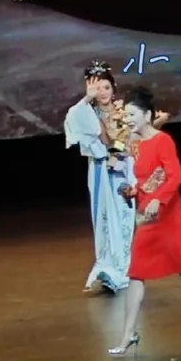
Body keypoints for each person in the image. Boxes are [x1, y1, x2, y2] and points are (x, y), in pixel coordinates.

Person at [109, 87, 181, 355]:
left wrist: (159, 199)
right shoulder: (134, 143)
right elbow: (144, 178)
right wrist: (134, 192)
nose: (128, 120)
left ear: (147, 115)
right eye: (126, 115)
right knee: (136, 273)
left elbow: (175, 176)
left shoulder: (163, 140)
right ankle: (128, 334)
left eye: (132, 115)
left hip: (168, 214)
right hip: (146, 215)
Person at [64, 62, 135, 293]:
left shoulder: (123, 111)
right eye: (98, 88)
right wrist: (87, 98)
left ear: (114, 88)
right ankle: (106, 267)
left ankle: (121, 269)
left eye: (106, 87)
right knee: (104, 220)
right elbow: (73, 117)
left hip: (123, 170)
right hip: (100, 171)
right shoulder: (88, 112)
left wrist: (123, 150)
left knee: (123, 218)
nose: (102, 92)